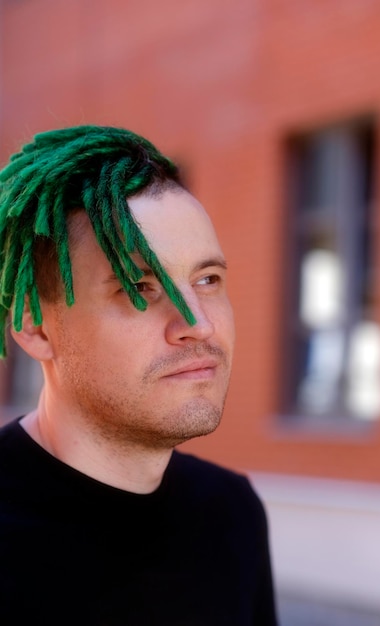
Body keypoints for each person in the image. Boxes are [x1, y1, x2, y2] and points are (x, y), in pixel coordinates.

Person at [0, 125, 278, 625]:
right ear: (34, 326)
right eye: (139, 287)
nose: (197, 323)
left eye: (207, 280)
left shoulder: (231, 514)